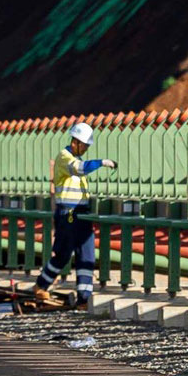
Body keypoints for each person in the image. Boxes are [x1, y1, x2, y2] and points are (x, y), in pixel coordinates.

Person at [35, 121, 116, 309]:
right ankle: (41, 285)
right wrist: (102, 162)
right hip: (67, 214)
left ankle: (84, 298)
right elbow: (79, 168)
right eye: (85, 145)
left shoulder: (76, 158)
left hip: (82, 214)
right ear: (75, 142)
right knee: (63, 254)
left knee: (87, 255)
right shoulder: (65, 158)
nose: (86, 149)